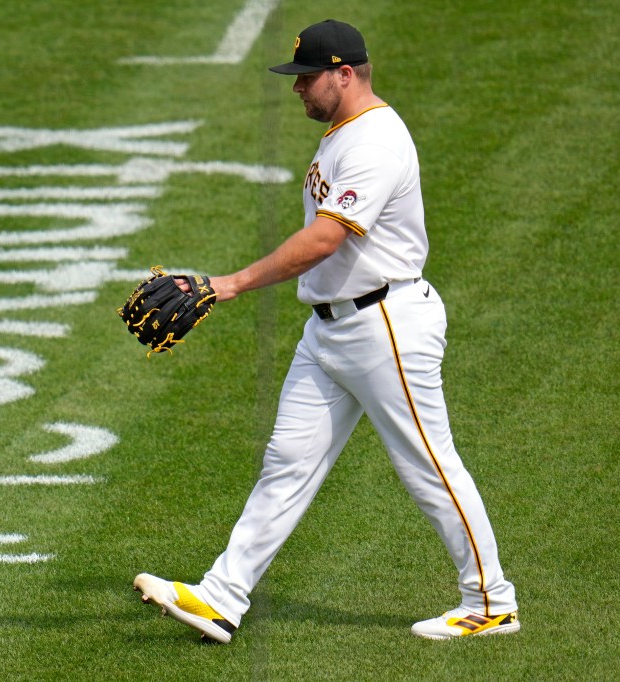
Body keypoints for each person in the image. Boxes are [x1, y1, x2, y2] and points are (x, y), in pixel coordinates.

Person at [133, 19, 519, 643]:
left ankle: (492, 601)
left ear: (345, 74)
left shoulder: (376, 143)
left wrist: (227, 284)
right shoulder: (343, 133)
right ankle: (221, 595)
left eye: (307, 79)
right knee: (287, 462)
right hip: (331, 331)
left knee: (429, 466)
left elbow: (326, 238)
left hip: (385, 324)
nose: (298, 91)